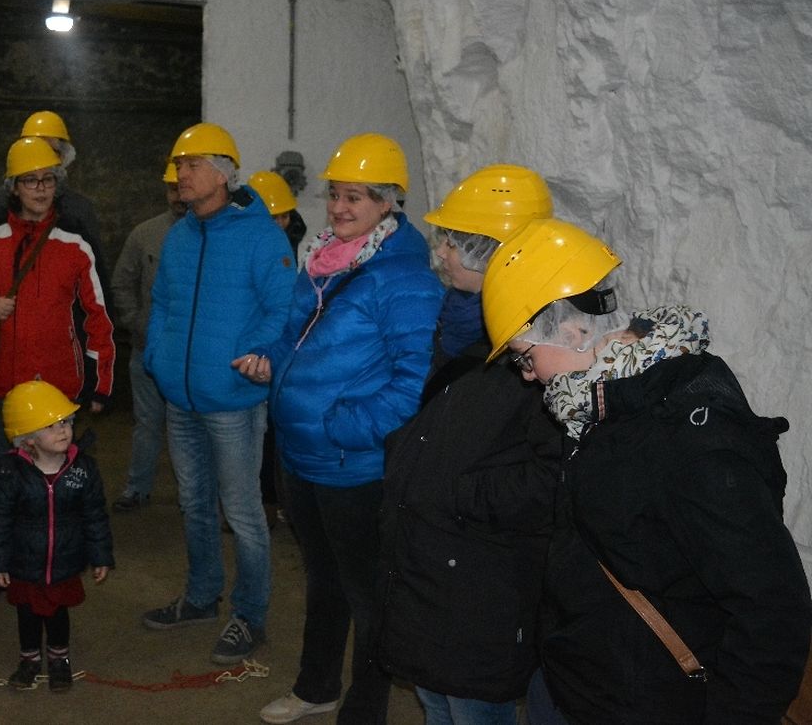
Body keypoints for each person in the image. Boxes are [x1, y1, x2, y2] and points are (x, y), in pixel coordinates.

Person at [481, 218, 812, 725]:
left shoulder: (694, 446)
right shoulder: (597, 402)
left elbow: (773, 611)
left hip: (642, 703)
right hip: (579, 679)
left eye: (525, 359)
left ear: (571, 331)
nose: (528, 377)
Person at [236, 133, 444, 724]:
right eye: (334, 195)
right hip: (302, 454)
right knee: (324, 579)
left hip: (354, 463)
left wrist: (347, 428)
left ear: (387, 202)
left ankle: (365, 709)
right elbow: (294, 333)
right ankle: (317, 686)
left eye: (355, 197)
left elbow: (415, 382)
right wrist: (269, 359)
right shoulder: (324, 259)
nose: (338, 208)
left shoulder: (405, 279)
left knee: (368, 593)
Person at [375, 164, 562, 725]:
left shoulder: (549, 341)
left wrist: (458, 493)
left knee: (470, 703)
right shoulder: (462, 318)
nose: (442, 251)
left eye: (455, 241)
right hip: (434, 560)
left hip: (483, 578)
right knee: (436, 698)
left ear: (497, 251)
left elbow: (553, 476)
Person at [141, 122, 295, 665]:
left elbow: (283, 309)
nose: (180, 174)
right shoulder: (180, 236)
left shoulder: (261, 236)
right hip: (180, 398)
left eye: (192, 165)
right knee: (194, 504)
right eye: (178, 165)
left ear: (224, 174)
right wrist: (158, 357)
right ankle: (203, 596)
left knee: (244, 513)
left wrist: (259, 353)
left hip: (232, 399)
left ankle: (249, 616)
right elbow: (163, 303)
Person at [0, 136, 114, 597]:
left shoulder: (76, 245)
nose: (40, 189)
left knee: (52, 480)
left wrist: (100, 384)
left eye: (48, 180)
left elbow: (98, 318)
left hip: (53, 390)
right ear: (13, 187)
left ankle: (51, 564)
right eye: (30, 180)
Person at [0, 379, 114, 692]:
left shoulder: (83, 469)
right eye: (51, 426)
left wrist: (101, 556)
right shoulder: (9, 473)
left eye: (66, 422)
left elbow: (95, 515)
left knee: (58, 614)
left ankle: (59, 659)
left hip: (65, 560)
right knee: (27, 614)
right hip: (24, 562)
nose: (63, 431)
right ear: (27, 438)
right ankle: (28, 659)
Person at [108, 162, 184, 513]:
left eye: (181, 187)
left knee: (191, 430)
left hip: (191, 356)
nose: (177, 196)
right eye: (171, 188)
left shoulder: (213, 236)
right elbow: (122, 283)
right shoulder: (145, 234)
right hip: (147, 350)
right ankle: (137, 488)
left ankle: (193, 497)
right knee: (147, 424)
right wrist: (136, 322)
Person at [246, 169, 309, 526]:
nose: (277, 224)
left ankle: (276, 503)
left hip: (285, 357)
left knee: (276, 435)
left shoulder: (303, 249)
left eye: (282, 216)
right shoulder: (246, 249)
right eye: (271, 217)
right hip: (253, 356)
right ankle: (263, 505)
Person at [0, 110, 104, 257]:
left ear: (63, 156)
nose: (42, 156)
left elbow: (94, 264)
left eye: (50, 150)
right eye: (34, 148)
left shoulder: (80, 210)